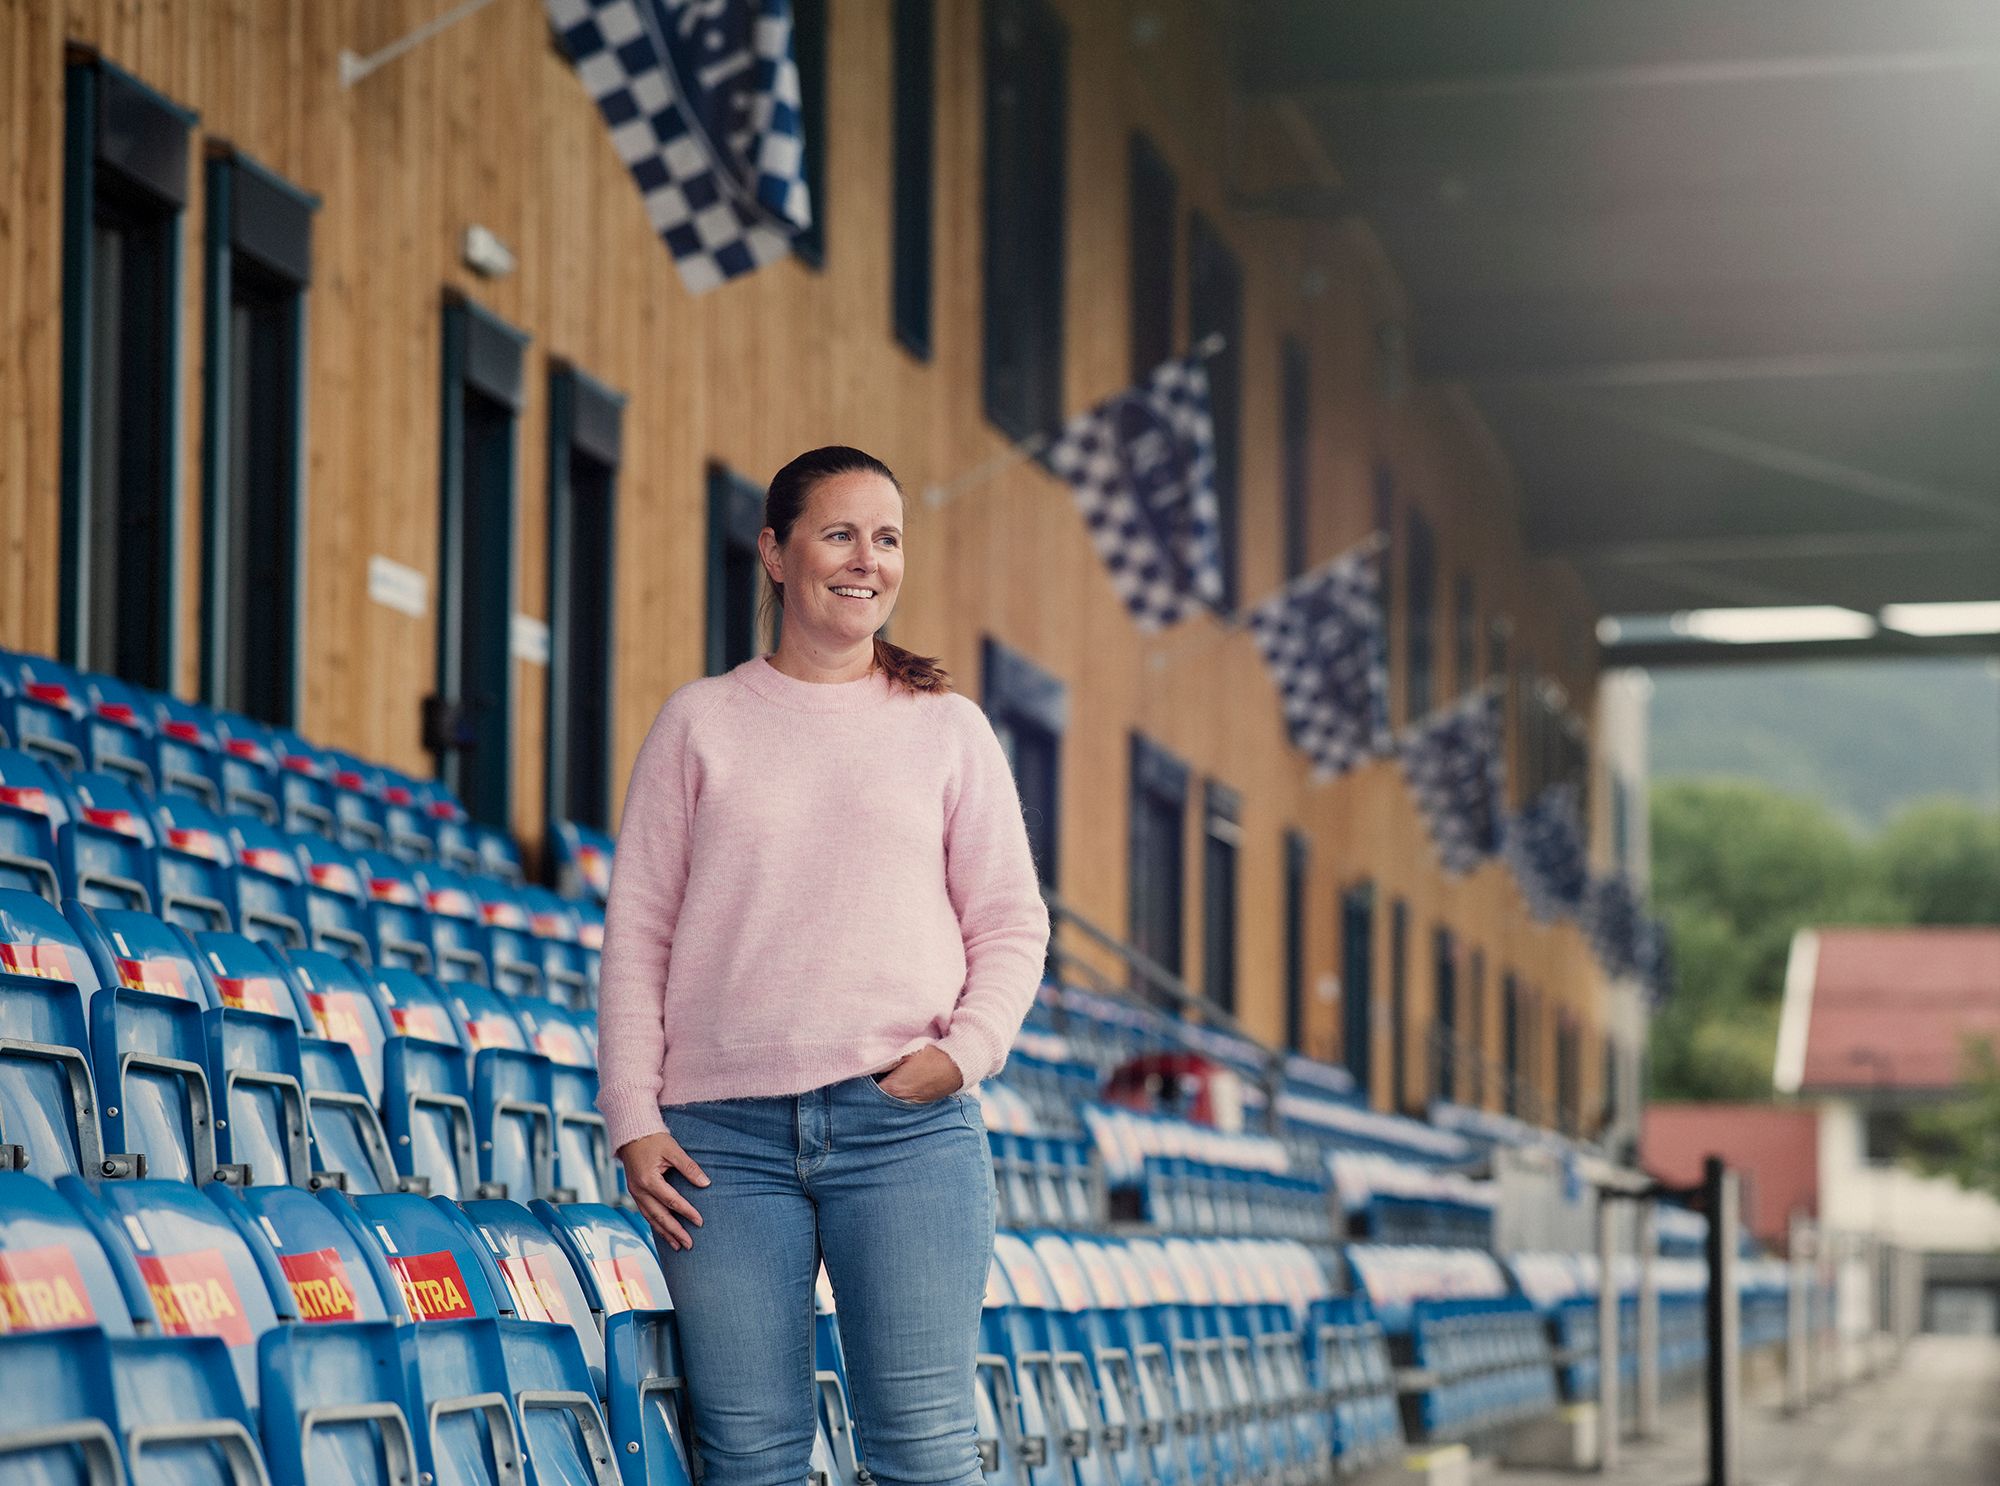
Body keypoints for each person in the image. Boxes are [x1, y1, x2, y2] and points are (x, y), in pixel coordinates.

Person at [595, 445, 1051, 1486]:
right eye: (839, 532)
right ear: (774, 551)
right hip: (722, 1147)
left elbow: (1011, 923)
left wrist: (964, 1053)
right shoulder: (698, 722)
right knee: (750, 1460)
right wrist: (633, 1114)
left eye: (886, 538)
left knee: (923, 1456)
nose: (866, 560)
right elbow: (638, 934)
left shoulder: (945, 729)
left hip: (905, 1134)